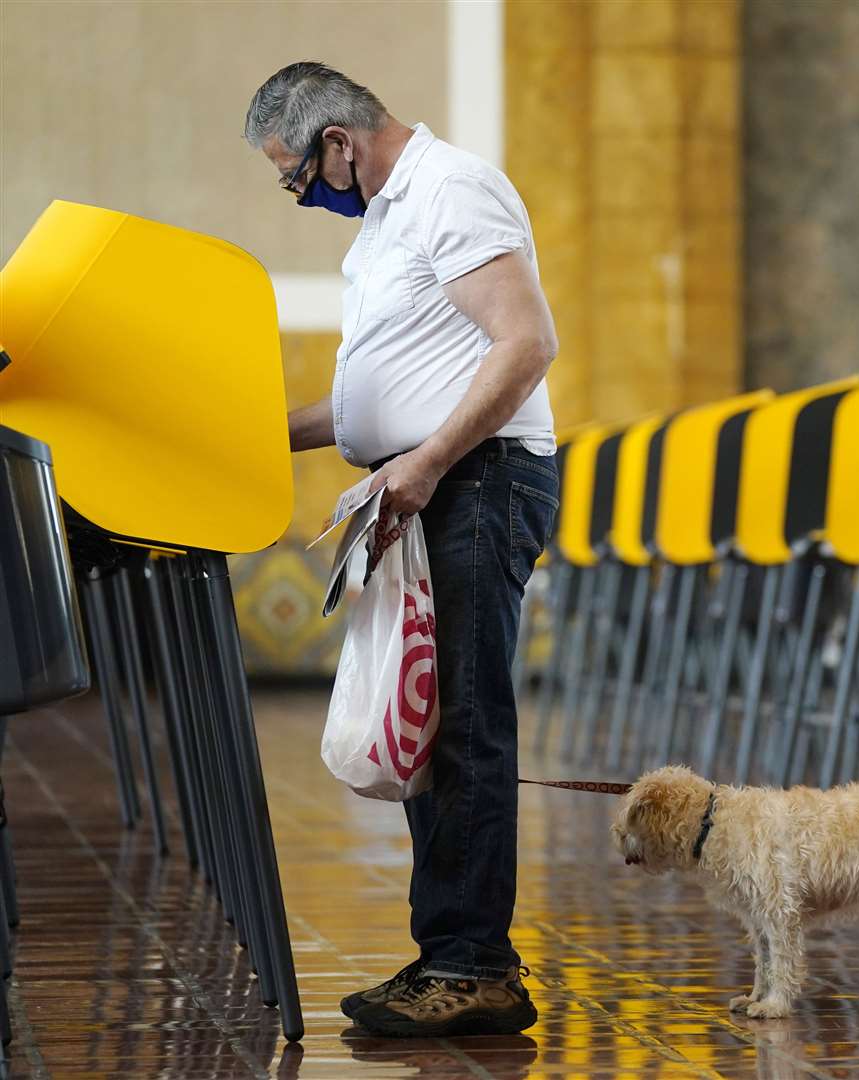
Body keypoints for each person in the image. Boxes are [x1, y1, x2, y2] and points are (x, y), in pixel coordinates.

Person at [245, 62, 561, 1038]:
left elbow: (525, 342)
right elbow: (365, 403)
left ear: (337, 142)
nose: (306, 197)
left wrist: (423, 459)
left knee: (462, 720)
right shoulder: (387, 224)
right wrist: (235, 432)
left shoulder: (448, 186)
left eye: (297, 177)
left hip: (476, 479)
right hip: (428, 484)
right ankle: (449, 957)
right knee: (427, 725)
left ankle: (475, 966)